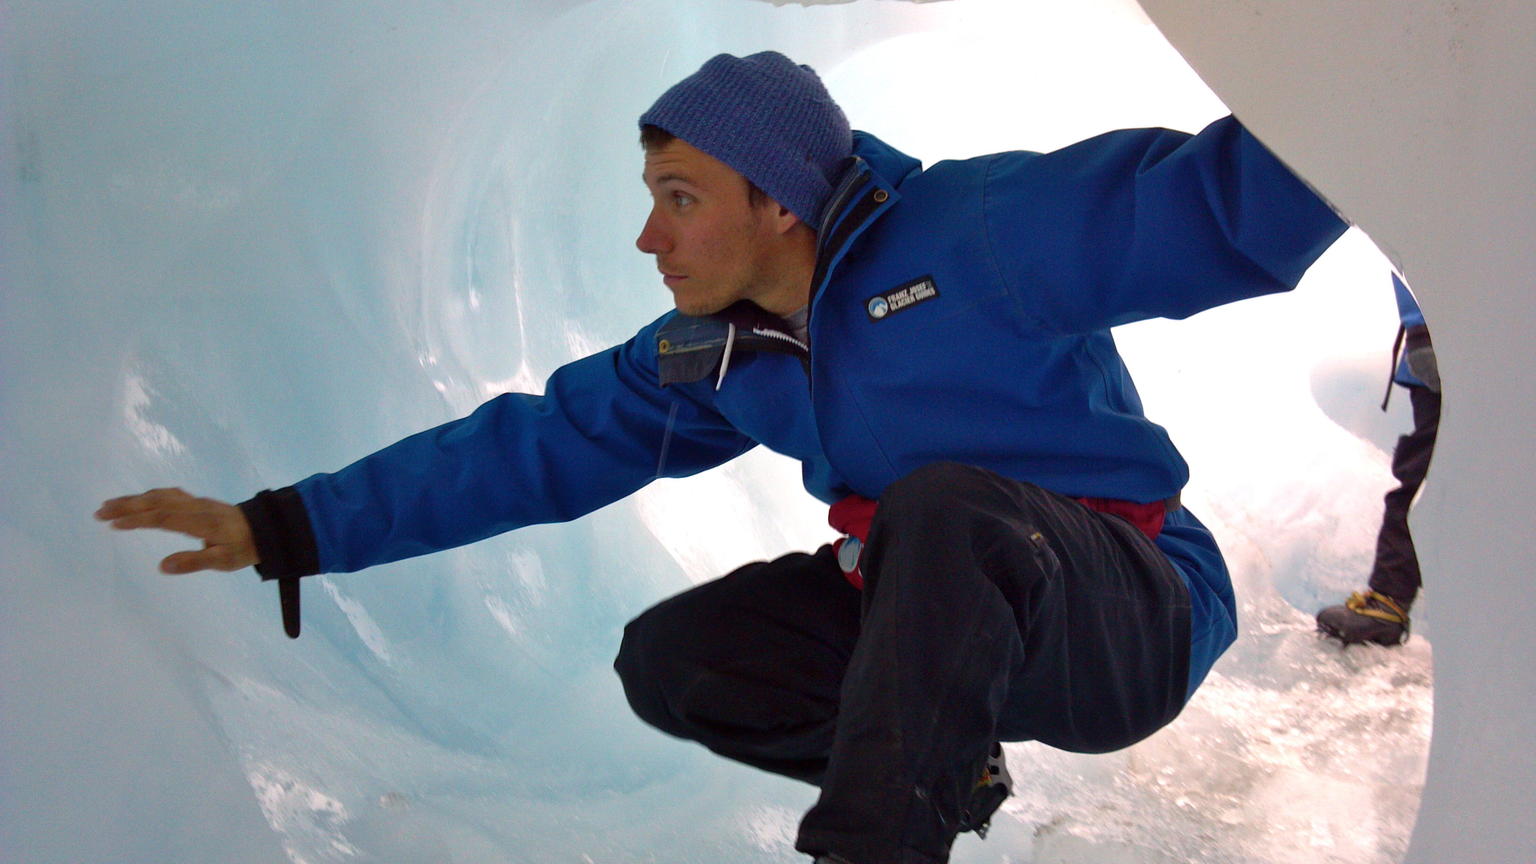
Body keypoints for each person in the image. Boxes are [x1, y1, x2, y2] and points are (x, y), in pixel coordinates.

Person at [95, 52, 1347, 864]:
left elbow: (1217, 210)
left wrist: (1374, 77)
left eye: (681, 195)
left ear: (782, 199)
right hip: (949, 604)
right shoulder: (715, 355)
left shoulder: (977, 235)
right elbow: (535, 447)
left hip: (1127, 609)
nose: (650, 233)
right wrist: (285, 528)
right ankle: (949, 767)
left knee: (946, 511)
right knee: (678, 659)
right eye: (651, 195)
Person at [1317, 275, 1440, 646]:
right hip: (1459, 342)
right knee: (1431, 474)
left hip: (1477, 340)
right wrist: (1424, 327)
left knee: (1431, 475)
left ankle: (1389, 600)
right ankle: (1388, 600)